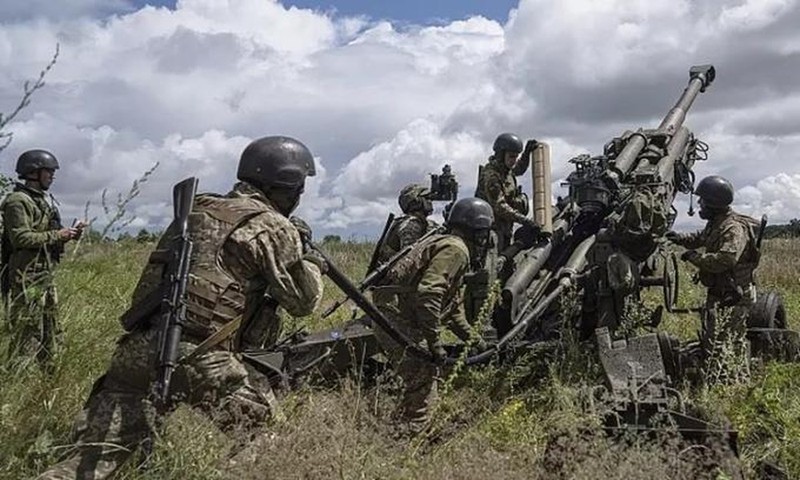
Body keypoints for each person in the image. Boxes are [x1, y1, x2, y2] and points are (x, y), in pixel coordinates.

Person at [37, 136, 325, 480]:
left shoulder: (195, 209)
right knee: (267, 442)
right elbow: (302, 303)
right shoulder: (273, 225)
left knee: (90, 462)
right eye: (300, 188)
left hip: (137, 350)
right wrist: (312, 265)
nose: (300, 197)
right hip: (202, 356)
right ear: (287, 185)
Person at [372, 197, 493, 433]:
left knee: (422, 373)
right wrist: (435, 344)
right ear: (479, 231)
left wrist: (475, 341)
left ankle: (407, 424)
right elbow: (429, 295)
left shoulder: (448, 244)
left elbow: (452, 311)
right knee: (423, 370)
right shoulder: (456, 251)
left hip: (393, 312)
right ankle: (411, 435)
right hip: (395, 315)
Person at [1, 149, 85, 370]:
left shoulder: (42, 201)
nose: (52, 177)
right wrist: (58, 235)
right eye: (48, 172)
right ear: (33, 172)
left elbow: (44, 238)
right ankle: (17, 380)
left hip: (44, 274)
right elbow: (20, 237)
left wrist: (69, 234)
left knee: (51, 328)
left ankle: (47, 378)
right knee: (27, 330)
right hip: (27, 277)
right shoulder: (17, 201)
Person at [666, 175, 760, 355]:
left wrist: (694, 257)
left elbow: (725, 260)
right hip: (722, 293)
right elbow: (700, 238)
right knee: (716, 341)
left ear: (714, 203)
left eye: (703, 200)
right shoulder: (716, 223)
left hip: (733, 295)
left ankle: (732, 379)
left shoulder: (733, 228)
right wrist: (678, 238)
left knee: (727, 344)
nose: (699, 203)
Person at [475, 133, 538, 252]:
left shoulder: (506, 170)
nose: (514, 160)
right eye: (511, 156)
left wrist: (527, 153)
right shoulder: (491, 176)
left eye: (516, 156)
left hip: (504, 228)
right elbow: (500, 206)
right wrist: (525, 221)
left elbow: (519, 169)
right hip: (491, 231)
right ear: (501, 155)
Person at [375, 183, 438, 265]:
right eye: (426, 198)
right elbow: (410, 259)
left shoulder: (424, 223)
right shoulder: (410, 225)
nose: (430, 201)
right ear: (416, 202)